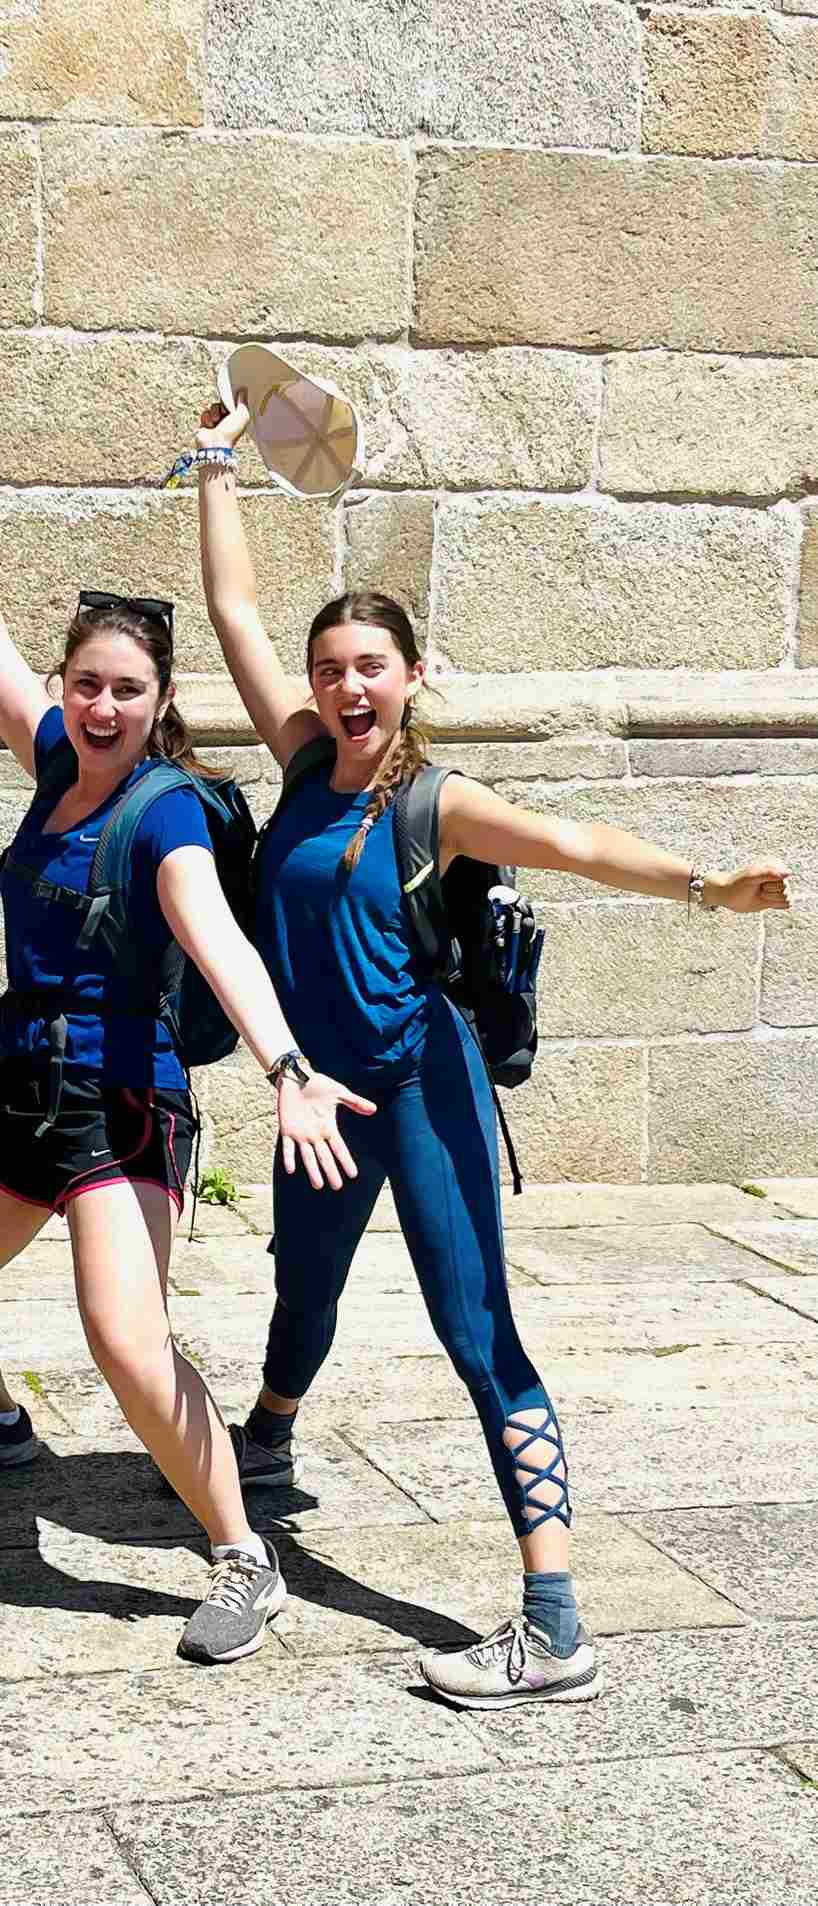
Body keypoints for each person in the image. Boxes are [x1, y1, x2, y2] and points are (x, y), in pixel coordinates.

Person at [193, 397, 791, 1707]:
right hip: (318, 1102)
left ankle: (554, 1618)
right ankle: (273, 1441)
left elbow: (572, 842)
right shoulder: (301, 765)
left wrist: (704, 884)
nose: (349, 684)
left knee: (477, 1333)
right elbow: (233, 616)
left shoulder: (434, 802)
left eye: (373, 665)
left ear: (410, 678)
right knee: (301, 1293)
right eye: (331, 664)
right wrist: (215, 467)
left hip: (421, 1088)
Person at [0, 447, 375, 1668]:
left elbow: (219, 941)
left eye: (126, 690)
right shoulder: (50, 765)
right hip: (21, 1089)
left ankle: (245, 1555)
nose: (101, 707)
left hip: (124, 1103)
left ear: (157, 700)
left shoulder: (167, 810)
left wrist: (285, 1065)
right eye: (86, 682)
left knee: (127, 1337)